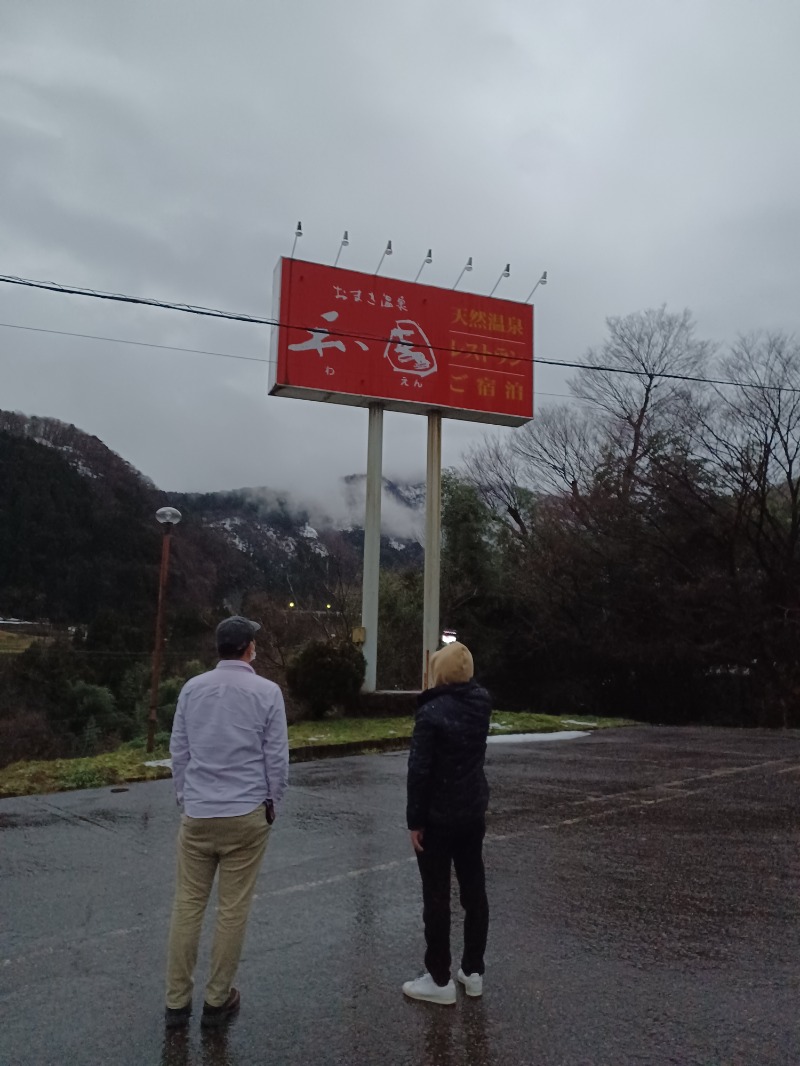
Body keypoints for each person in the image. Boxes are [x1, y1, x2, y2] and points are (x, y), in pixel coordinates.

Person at [164, 615, 289, 1030]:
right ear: (249, 648)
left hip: (198, 814)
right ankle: (217, 1002)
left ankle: (176, 1003)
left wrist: (186, 797)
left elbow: (178, 751)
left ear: (219, 648)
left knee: (187, 906)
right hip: (245, 814)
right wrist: (273, 802)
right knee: (232, 909)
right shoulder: (267, 692)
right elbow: (276, 758)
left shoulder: (192, 689)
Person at [403, 641, 491, 1005]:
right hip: (472, 812)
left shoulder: (431, 713)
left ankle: (439, 979)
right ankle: (473, 971)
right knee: (474, 891)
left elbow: (419, 771)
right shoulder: (481, 704)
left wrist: (415, 820)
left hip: (438, 818)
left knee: (437, 897)